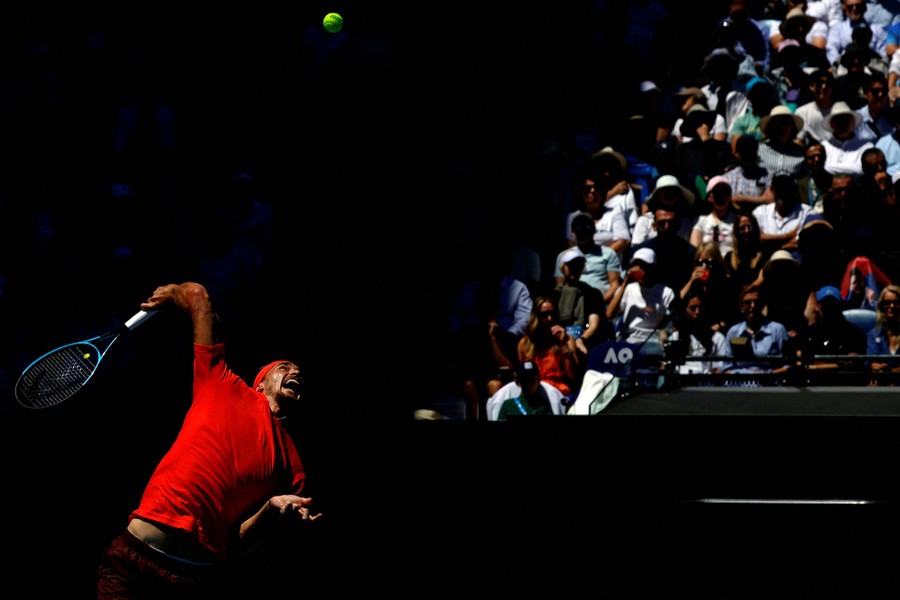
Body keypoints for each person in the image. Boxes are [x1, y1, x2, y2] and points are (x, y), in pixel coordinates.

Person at [97, 282, 321, 597]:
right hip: (130, 558)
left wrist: (272, 510)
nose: (295, 370)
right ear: (259, 383)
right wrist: (174, 293)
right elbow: (198, 296)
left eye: (298, 371)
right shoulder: (221, 381)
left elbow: (239, 542)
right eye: (284, 367)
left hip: (188, 578)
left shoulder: (293, 469)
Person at [606, 247, 676, 346]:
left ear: (652, 268)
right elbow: (610, 314)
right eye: (636, 265)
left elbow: (671, 322)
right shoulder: (628, 289)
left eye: (643, 266)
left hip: (654, 339)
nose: (639, 268)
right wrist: (626, 282)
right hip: (629, 339)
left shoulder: (666, 292)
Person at [516, 296, 582, 399]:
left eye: (552, 314)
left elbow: (573, 375)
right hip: (535, 392)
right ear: (536, 317)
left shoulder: (567, 340)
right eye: (544, 315)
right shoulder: (525, 344)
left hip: (559, 393)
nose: (549, 318)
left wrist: (563, 344)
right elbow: (522, 376)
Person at [551, 247, 613, 356]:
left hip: (585, 339)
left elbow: (593, 324)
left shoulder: (592, 294)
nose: (575, 269)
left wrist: (581, 339)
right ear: (562, 267)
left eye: (578, 266)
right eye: (571, 266)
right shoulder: (553, 295)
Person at [722, 284, 791, 374]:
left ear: (762, 304)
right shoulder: (734, 332)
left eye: (757, 301)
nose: (753, 305)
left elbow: (788, 365)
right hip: (740, 384)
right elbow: (727, 367)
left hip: (770, 384)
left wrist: (767, 375)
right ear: (741, 306)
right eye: (748, 302)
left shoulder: (777, 330)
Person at [555, 212, 623, 303]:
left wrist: (598, 303)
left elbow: (614, 285)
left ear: (594, 230)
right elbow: (560, 286)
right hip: (572, 303)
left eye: (587, 229)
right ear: (573, 234)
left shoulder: (609, 253)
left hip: (600, 303)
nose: (584, 233)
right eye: (580, 230)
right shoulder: (564, 256)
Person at [802, 284, 867, 370]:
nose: (829, 309)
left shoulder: (854, 333)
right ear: (818, 306)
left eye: (832, 304)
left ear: (839, 306)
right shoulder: (808, 333)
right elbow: (800, 362)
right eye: (825, 304)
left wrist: (814, 366)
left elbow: (851, 363)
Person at [666, 288, 728, 375]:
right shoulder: (675, 337)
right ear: (685, 310)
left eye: (700, 308)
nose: (698, 312)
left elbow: (719, 367)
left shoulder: (717, 338)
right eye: (693, 308)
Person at [753, 172, 814, 259]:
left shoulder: (807, 212)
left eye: (787, 188)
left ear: (794, 189)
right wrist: (788, 236)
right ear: (772, 190)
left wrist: (770, 246)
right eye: (779, 188)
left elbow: (803, 243)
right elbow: (755, 239)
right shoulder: (761, 212)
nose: (783, 192)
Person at [487, 360, 568, 420]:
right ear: (517, 381)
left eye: (532, 379)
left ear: (539, 380)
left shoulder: (544, 406)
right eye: (524, 379)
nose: (529, 384)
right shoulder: (508, 405)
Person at [721, 134, 775, 210]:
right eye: (745, 152)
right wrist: (761, 199)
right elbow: (727, 202)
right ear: (737, 154)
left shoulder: (768, 174)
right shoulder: (728, 178)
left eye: (751, 152)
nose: (749, 155)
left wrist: (739, 198)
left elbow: (770, 200)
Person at [821, 100, 876, 175]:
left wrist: (830, 168)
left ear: (853, 122)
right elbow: (821, 170)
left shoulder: (866, 147)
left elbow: (861, 170)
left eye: (846, 120)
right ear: (832, 124)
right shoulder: (823, 147)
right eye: (839, 121)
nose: (843, 124)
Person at [691, 175, 740, 257]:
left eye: (726, 192)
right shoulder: (700, 221)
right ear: (709, 197)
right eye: (717, 192)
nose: (722, 196)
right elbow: (694, 248)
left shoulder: (737, 220)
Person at [757, 104, 808, 178]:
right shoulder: (758, 150)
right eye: (778, 124)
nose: (782, 128)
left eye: (786, 124)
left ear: (791, 128)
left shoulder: (801, 153)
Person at [724, 210, 767, 287]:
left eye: (750, 227)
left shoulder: (764, 255)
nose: (747, 231)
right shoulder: (729, 258)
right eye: (742, 228)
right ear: (736, 231)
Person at [795, 68, 838, 145]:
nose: (824, 87)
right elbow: (799, 140)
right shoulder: (802, 113)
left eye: (827, 83)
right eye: (819, 83)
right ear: (811, 87)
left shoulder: (840, 111)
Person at [867, 284, 900, 373]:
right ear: (882, 306)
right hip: (882, 382)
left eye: (896, 303)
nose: (892, 306)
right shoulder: (874, 334)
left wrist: (892, 371)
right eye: (887, 303)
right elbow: (871, 359)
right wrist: (874, 365)